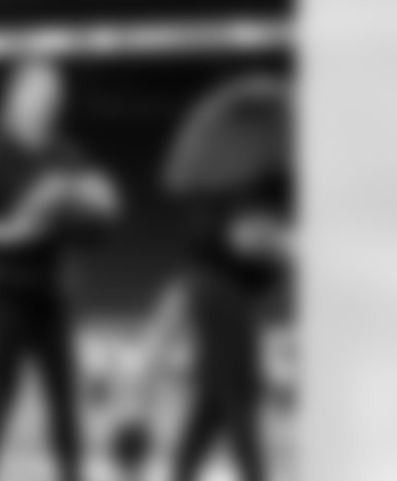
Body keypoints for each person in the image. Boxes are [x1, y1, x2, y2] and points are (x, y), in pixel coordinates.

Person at [111, 73, 293, 481]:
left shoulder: (268, 178)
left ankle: (163, 460)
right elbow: (238, 242)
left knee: (213, 405)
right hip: (217, 289)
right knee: (237, 399)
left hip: (222, 291)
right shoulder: (233, 185)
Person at [0, 58, 121, 481]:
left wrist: (96, 197)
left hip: (51, 292)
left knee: (65, 402)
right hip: (2, 293)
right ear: (16, 96)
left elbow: (98, 211)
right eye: (39, 92)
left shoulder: (66, 154)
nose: (48, 101)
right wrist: (13, 232)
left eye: (54, 95)